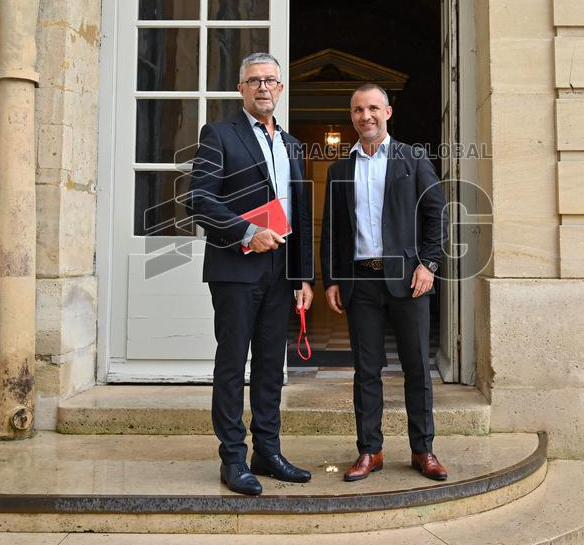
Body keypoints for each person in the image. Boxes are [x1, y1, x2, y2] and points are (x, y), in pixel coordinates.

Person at [187, 52, 314, 496]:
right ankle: (233, 458)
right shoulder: (219, 135)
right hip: (236, 270)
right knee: (232, 363)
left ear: (280, 89)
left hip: (281, 273)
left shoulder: (293, 145)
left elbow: (300, 213)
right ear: (241, 88)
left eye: (271, 81)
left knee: (268, 367)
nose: (263, 87)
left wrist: (303, 277)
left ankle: (268, 452)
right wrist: (247, 231)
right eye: (254, 80)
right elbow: (199, 200)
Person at [319, 83, 449, 483]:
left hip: (409, 280)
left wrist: (428, 264)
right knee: (366, 370)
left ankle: (423, 450)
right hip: (360, 282)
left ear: (388, 112)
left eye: (373, 108)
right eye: (358, 110)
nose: (366, 116)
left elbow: (438, 215)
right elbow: (333, 230)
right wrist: (332, 279)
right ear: (352, 116)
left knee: (416, 369)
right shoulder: (340, 169)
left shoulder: (414, 159)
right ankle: (369, 451)